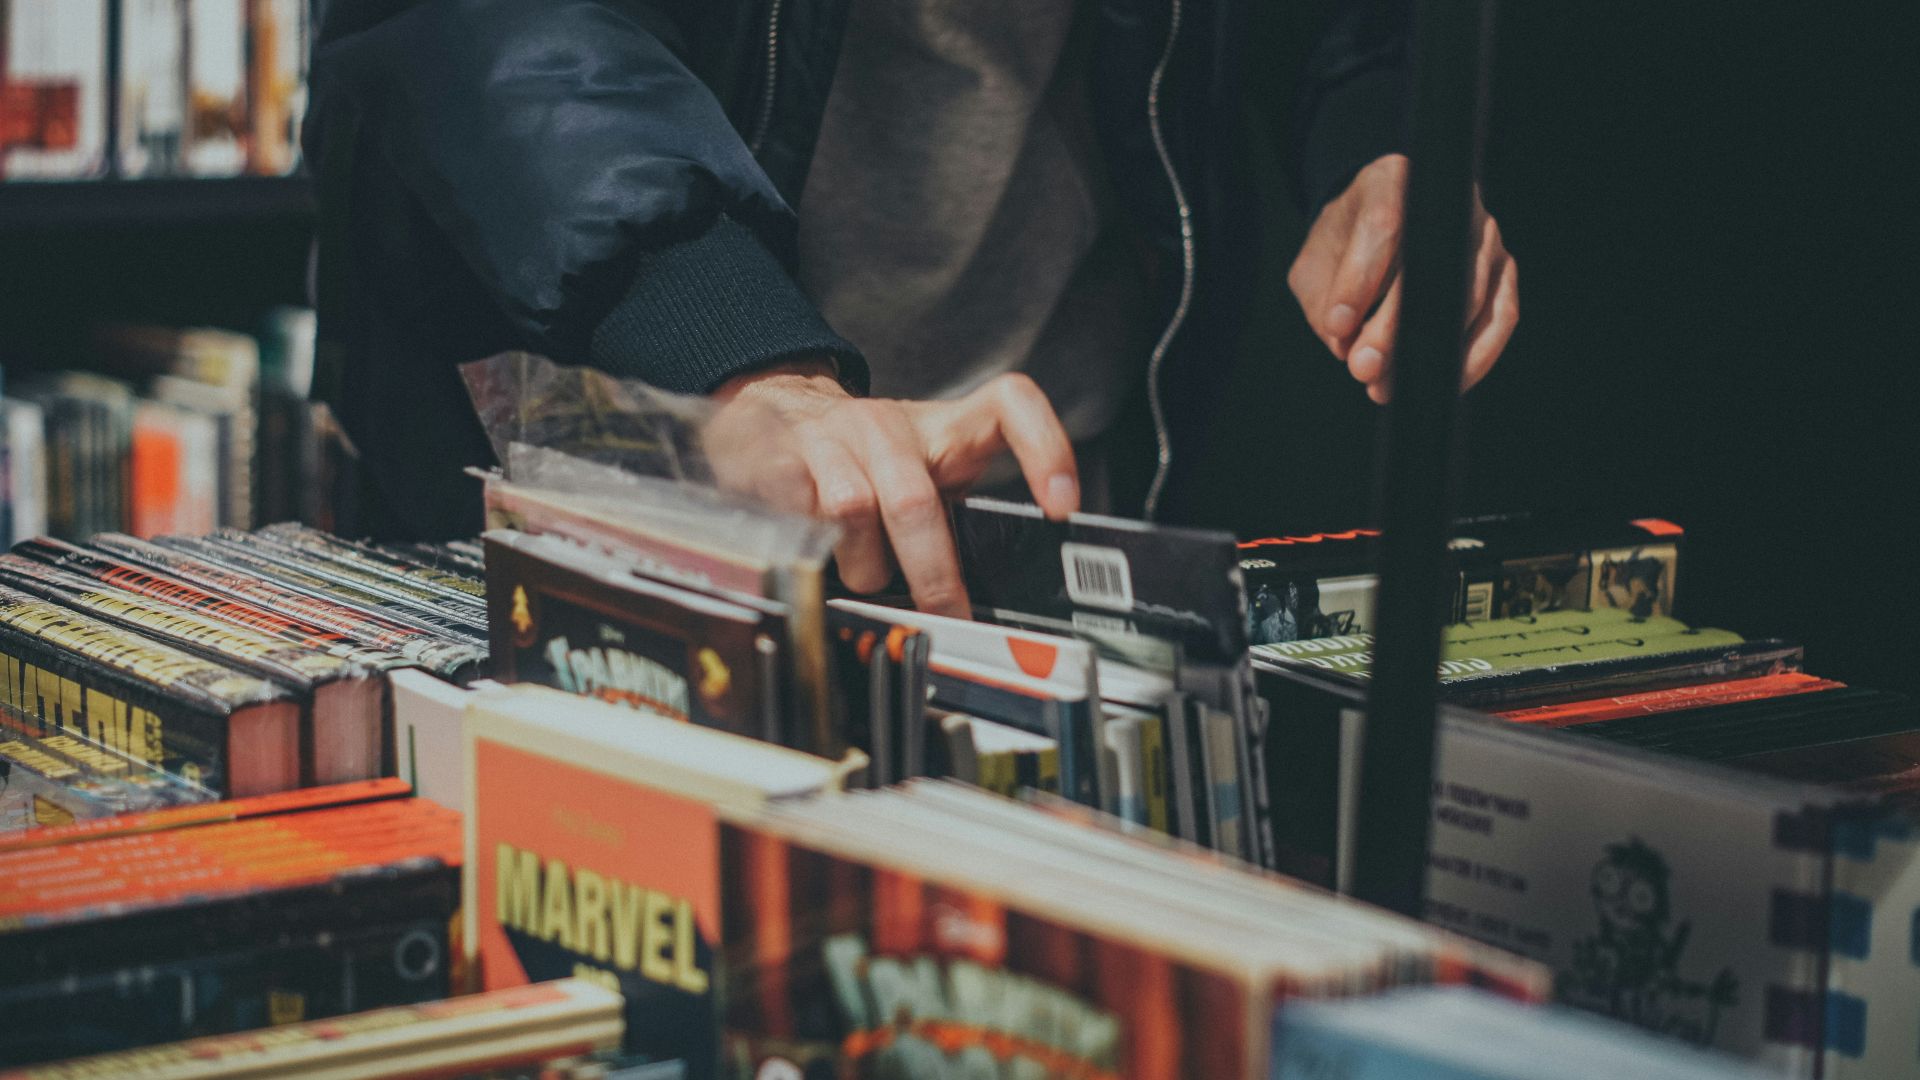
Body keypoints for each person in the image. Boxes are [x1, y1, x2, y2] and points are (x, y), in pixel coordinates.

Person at [304, 0, 1517, 617]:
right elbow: (495, 28)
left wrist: (1375, 140)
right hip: (647, 473)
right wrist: (735, 347)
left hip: (1051, 501)